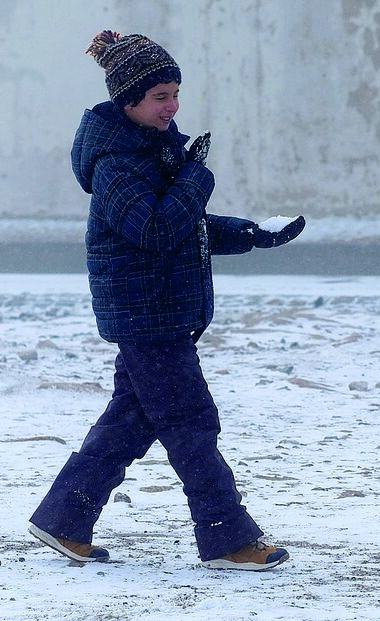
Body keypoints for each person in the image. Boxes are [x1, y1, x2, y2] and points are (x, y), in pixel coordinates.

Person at [28, 30, 306, 571]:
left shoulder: (153, 151)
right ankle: (227, 539)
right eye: (160, 97)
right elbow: (155, 230)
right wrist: (197, 176)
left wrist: (252, 233)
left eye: (175, 93)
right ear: (127, 100)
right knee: (192, 424)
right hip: (147, 315)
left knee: (129, 422)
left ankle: (63, 518)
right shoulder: (116, 164)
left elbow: (184, 229)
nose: (173, 106)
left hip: (162, 314)